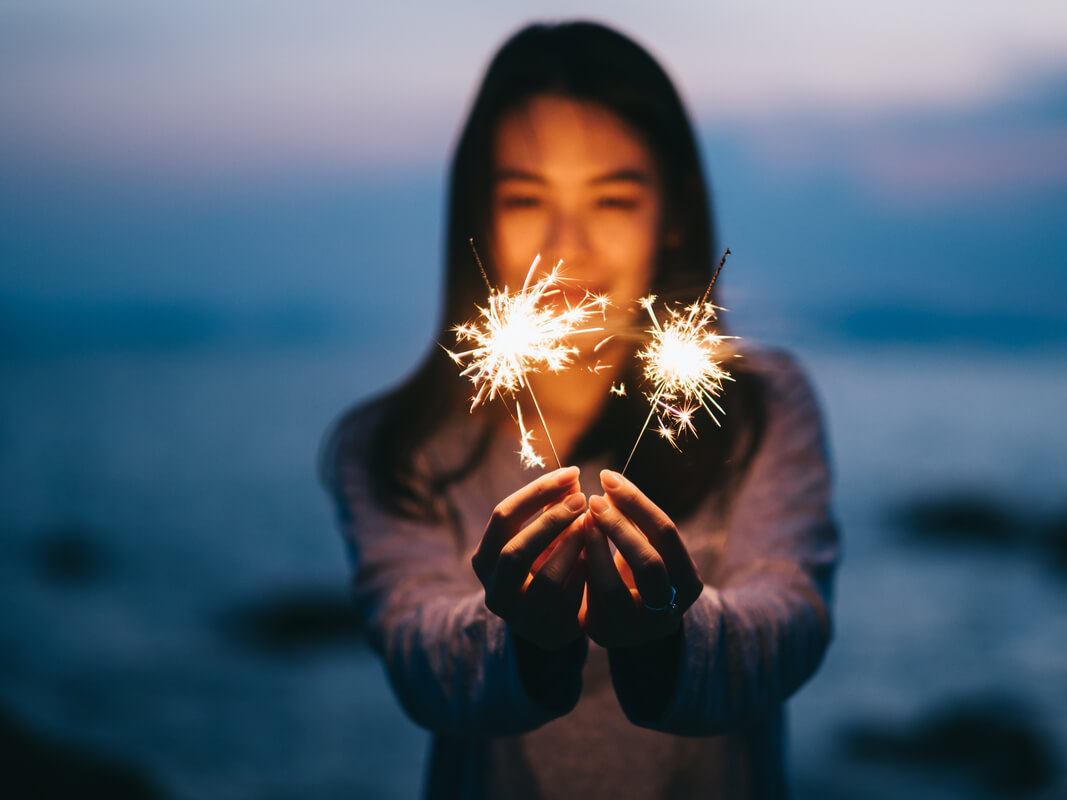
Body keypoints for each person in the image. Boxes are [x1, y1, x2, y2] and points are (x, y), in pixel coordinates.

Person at [322, 20, 839, 800]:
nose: (566, 245)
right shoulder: (393, 450)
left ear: (670, 215)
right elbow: (421, 660)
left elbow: (790, 620)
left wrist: (668, 636)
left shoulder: (763, 407)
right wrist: (525, 639)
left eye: (613, 198)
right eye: (527, 197)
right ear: (479, 219)